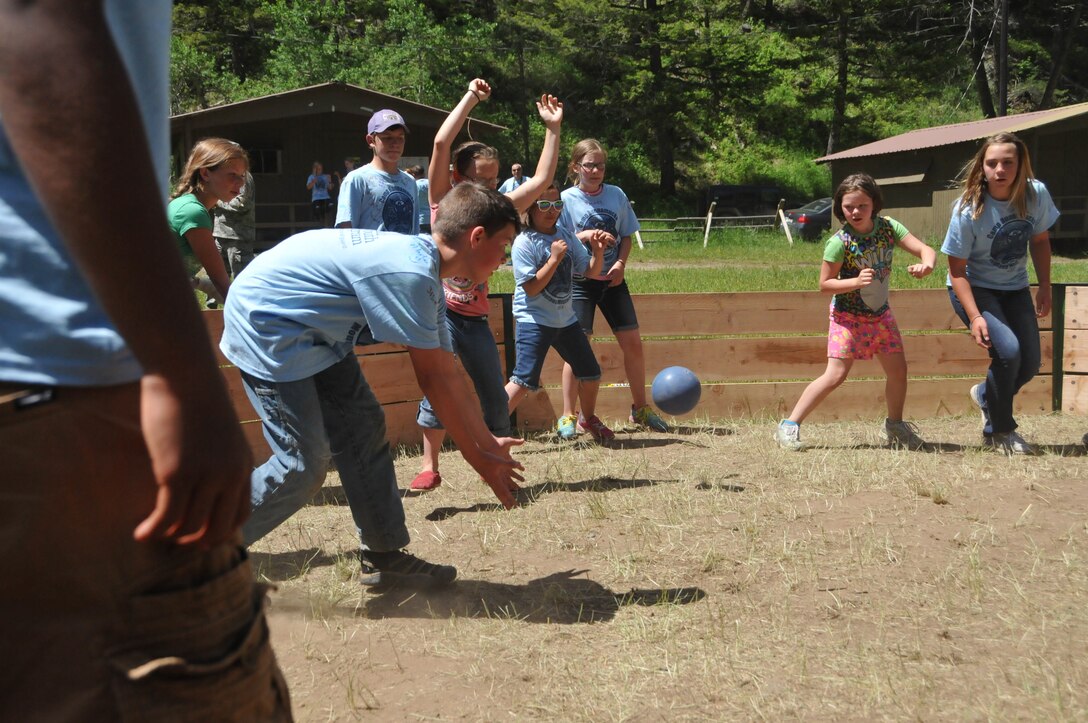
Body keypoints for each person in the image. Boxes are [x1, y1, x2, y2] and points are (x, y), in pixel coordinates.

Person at [0, 2, 291, 720]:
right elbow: (34, 25)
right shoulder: (190, 211)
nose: (238, 187)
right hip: (65, 372)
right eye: (232, 176)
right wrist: (179, 369)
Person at [220, 184, 525, 585]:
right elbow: (432, 379)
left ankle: (384, 557)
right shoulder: (411, 274)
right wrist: (478, 458)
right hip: (268, 321)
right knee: (301, 464)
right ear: (477, 236)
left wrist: (485, 442)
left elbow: (448, 376)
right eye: (504, 244)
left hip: (315, 328)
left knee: (362, 427)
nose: (505, 258)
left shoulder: (427, 275)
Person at [411, 78, 563, 492]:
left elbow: (542, 178)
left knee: (494, 395)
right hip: (439, 311)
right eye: (483, 177)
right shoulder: (444, 200)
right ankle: (429, 465)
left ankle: (499, 463)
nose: (492, 186)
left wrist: (552, 129)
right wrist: (471, 99)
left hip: (474, 318)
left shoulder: (497, 208)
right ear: (460, 175)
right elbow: (442, 144)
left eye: (496, 178)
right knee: (438, 391)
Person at [774, 173, 936, 451]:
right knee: (835, 375)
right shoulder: (840, 241)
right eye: (849, 206)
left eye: (862, 205)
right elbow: (824, 284)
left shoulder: (888, 228)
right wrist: (854, 282)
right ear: (840, 208)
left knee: (898, 371)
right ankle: (789, 425)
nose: (856, 211)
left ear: (874, 204)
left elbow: (925, 250)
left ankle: (896, 427)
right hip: (847, 318)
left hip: (880, 315)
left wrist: (926, 265)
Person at [942, 132, 1058, 455]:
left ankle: (985, 396)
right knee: (1007, 352)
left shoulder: (1035, 195)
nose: (1000, 169)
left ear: (1020, 165)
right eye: (992, 163)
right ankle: (1000, 432)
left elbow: (1039, 241)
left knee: (1030, 362)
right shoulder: (968, 208)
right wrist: (976, 317)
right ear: (982, 167)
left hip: (1015, 286)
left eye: (1008, 162)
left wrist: (1044, 286)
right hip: (975, 287)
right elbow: (956, 271)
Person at [559, 139, 668, 438]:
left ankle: (640, 409)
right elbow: (560, 240)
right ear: (575, 167)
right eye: (589, 165)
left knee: (633, 343)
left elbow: (627, 236)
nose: (595, 171)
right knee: (576, 349)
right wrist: (585, 235)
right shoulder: (565, 199)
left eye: (600, 165)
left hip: (613, 281)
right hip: (581, 281)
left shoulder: (616, 195)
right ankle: (569, 414)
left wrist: (620, 264)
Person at [504, 186, 612, 431]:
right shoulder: (523, 242)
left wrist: (597, 251)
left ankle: (588, 419)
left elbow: (591, 272)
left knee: (591, 373)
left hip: (565, 320)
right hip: (534, 320)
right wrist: (553, 260)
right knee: (522, 381)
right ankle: (489, 431)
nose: (551, 211)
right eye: (544, 205)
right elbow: (531, 288)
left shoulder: (565, 234)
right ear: (530, 208)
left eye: (557, 205)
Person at [168, 138, 249, 307]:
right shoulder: (193, 212)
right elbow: (221, 283)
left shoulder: (189, 206)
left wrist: (199, 284)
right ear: (205, 173)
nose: (241, 183)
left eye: (242, 176)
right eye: (232, 175)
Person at [335, 109, 419, 233]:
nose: (395, 143)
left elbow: (414, 230)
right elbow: (345, 232)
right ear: (371, 140)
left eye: (400, 138)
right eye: (387, 137)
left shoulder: (410, 181)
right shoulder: (357, 180)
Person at [214, 168, 257, 278]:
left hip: (238, 237)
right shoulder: (223, 175)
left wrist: (216, 201)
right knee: (217, 279)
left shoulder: (243, 177)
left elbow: (241, 204)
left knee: (242, 279)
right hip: (220, 235)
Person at [306, 161, 333, 227]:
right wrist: (313, 181)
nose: (320, 170)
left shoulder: (325, 176)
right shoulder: (311, 177)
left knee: (329, 210)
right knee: (318, 213)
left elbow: (330, 188)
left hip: (325, 197)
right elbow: (308, 187)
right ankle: (321, 225)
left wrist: (330, 181)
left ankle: (328, 225)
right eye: (318, 169)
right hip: (317, 198)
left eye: (321, 169)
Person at [407, 164, 431, 233]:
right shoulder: (430, 183)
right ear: (424, 173)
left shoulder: (414, 185)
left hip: (420, 219)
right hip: (431, 218)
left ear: (413, 174)